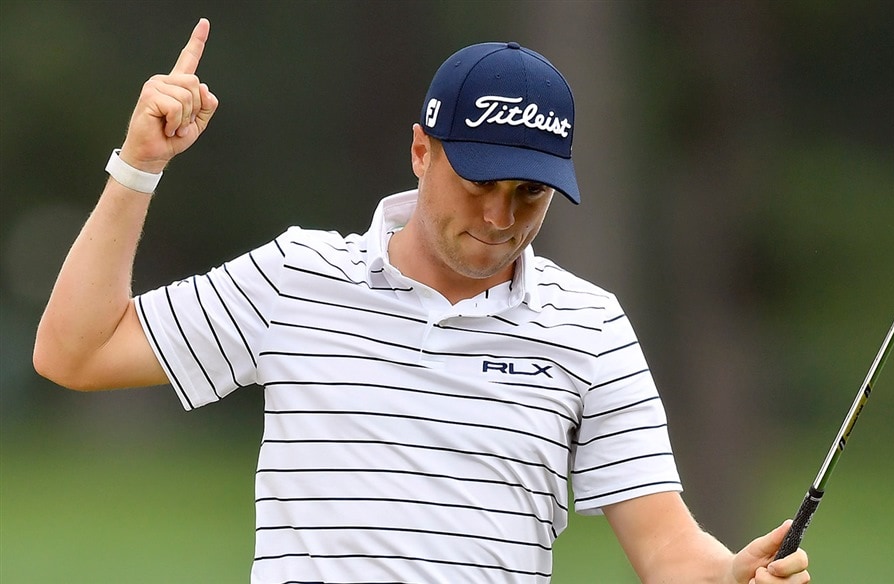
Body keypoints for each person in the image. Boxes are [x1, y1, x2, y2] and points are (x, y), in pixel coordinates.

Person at [34, 18, 810, 584]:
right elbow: (74, 352)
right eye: (478, 185)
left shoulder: (590, 328)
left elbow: (669, 548)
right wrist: (138, 165)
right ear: (419, 151)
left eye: (529, 193)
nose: (500, 220)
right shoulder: (296, 278)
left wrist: (727, 578)